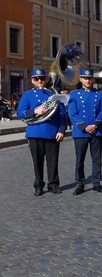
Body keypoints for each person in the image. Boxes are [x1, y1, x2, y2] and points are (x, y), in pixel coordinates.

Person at [17, 68, 67, 196]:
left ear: (46, 80)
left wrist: (61, 130)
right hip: (35, 132)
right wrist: (35, 111)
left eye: (42, 78)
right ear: (32, 81)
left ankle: (53, 184)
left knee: (53, 161)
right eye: (37, 79)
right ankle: (38, 185)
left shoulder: (53, 94)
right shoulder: (27, 95)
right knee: (37, 161)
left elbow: (62, 114)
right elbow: (20, 113)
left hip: (52, 132)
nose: (40, 81)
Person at [67, 68, 102, 195]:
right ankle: (80, 182)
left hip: (96, 130)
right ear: (80, 79)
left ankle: (96, 182)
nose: (88, 80)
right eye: (85, 78)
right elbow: (72, 113)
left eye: (90, 78)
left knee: (97, 159)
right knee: (80, 159)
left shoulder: (99, 94)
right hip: (81, 132)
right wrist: (84, 126)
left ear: (93, 79)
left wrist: (95, 125)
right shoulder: (74, 94)